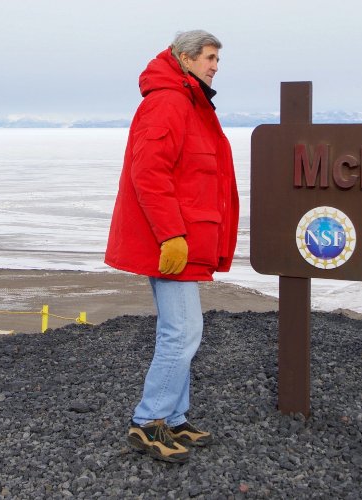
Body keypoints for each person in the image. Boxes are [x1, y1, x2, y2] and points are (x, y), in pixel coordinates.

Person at [104, 29, 239, 464]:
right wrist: (171, 235)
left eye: (217, 59)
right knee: (182, 332)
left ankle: (175, 418)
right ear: (184, 58)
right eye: (209, 57)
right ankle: (149, 422)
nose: (215, 66)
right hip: (171, 242)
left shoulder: (188, 102)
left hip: (182, 238)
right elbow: (149, 173)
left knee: (180, 330)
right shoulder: (168, 102)